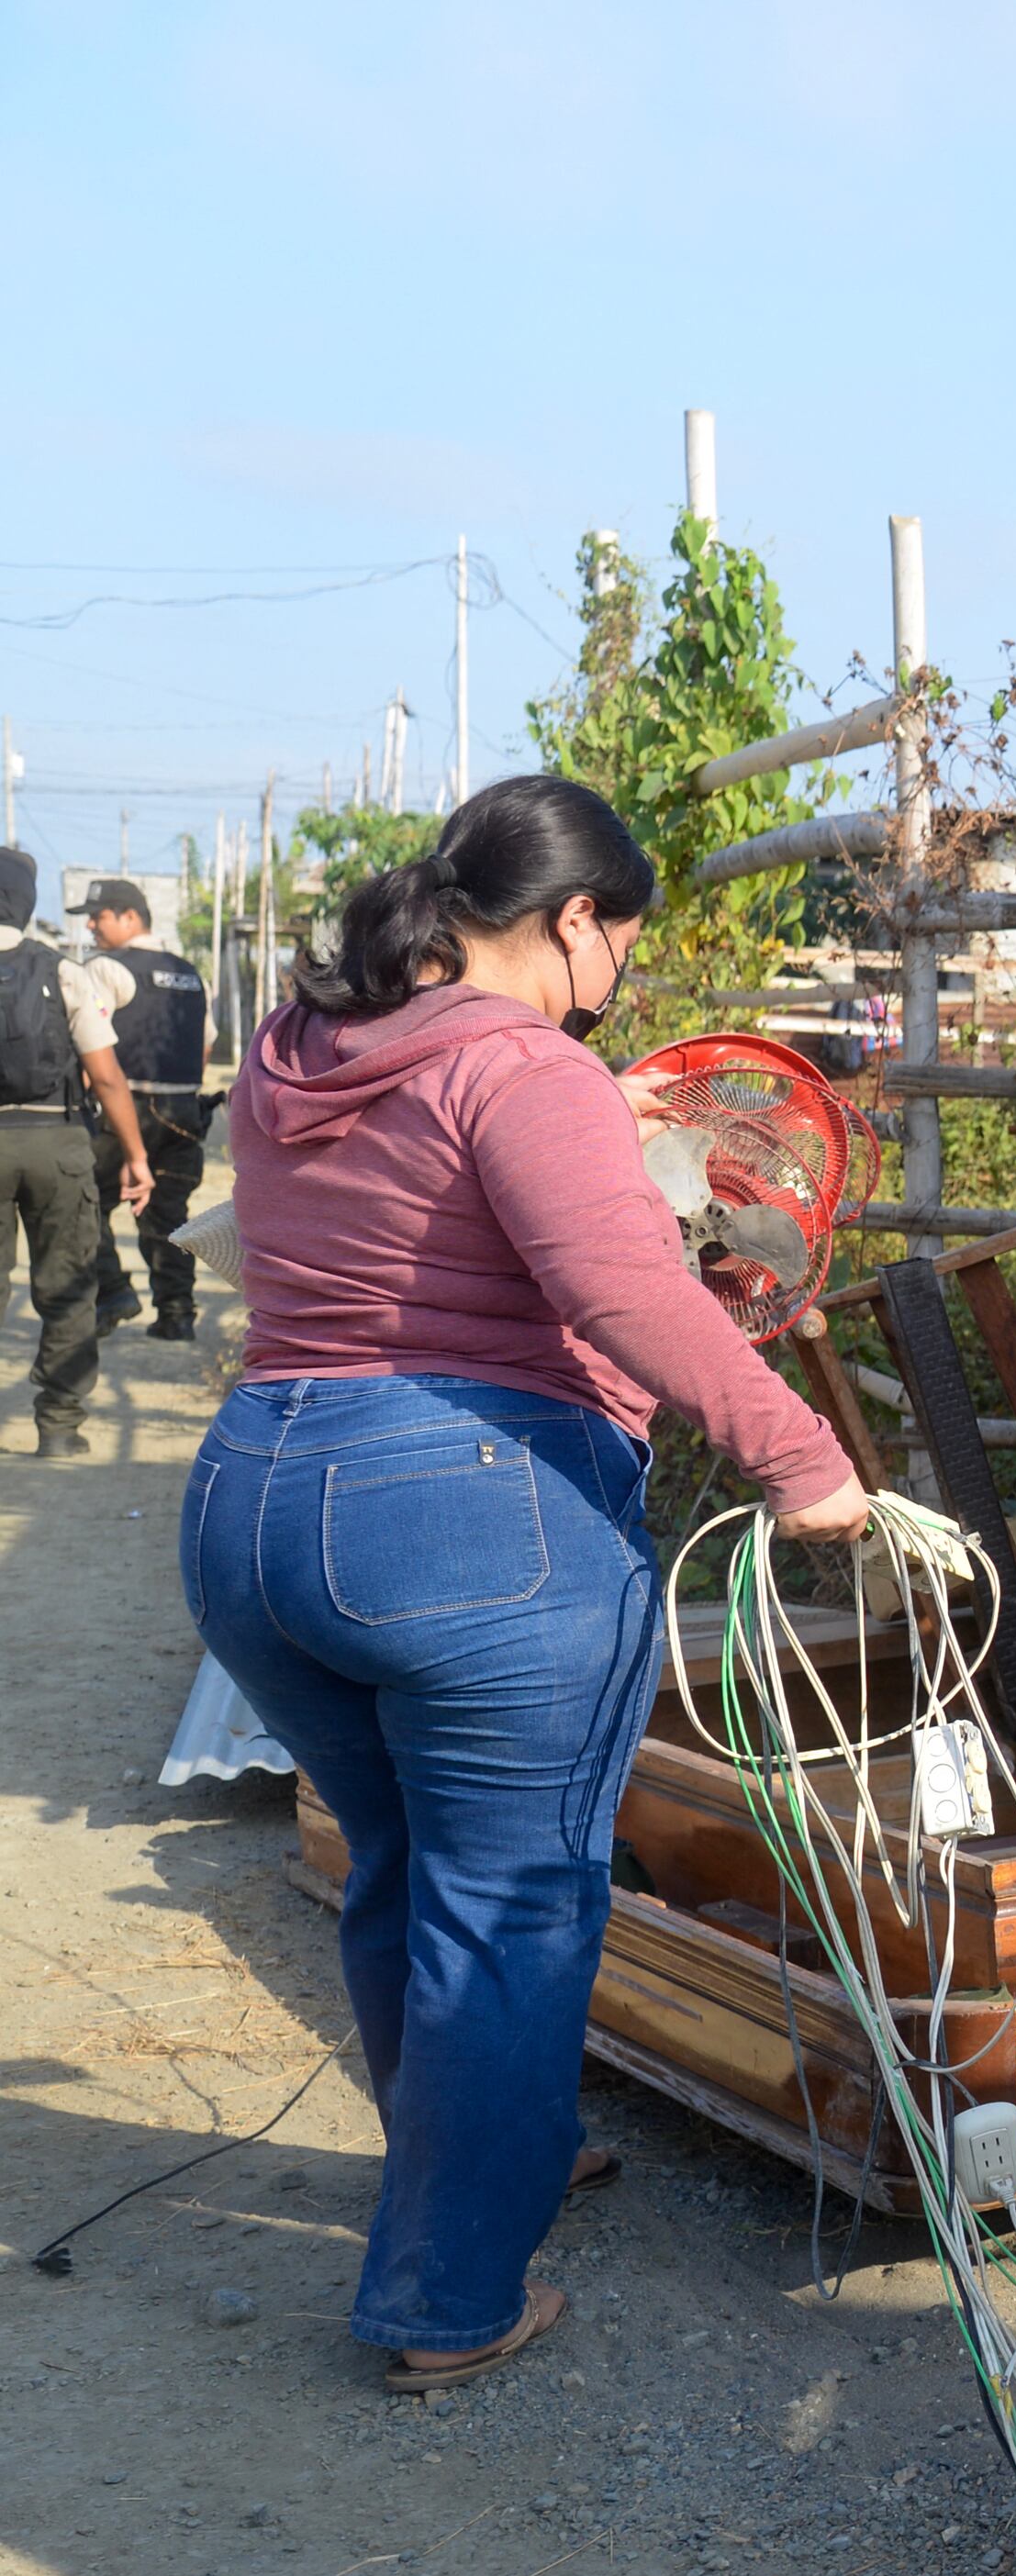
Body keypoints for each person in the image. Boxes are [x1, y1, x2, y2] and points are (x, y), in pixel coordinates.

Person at [187, 775, 867, 2392]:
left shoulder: (299, 1046)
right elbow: (623, 1292)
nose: (619, 968)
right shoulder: (526, 1065)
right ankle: (445, 2302)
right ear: (577, 919)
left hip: (253, 1505)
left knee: (403, 1867)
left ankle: (498, 2153)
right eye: (618, 935)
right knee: (510, 1907)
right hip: (465, 1511)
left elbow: (414, 1247)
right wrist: (802, 1457)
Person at [0, 844, 156, 1454]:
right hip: (56, 1141)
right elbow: (108, 1075)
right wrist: (136, 1155)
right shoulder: (63, 970)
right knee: (66, 1284)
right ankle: (59, 1426)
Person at [76, 875, 216, 1341]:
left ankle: (113, 1290)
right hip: (184, 1111)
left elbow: (90, 1048)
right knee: (169, 1213)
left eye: (99, 916)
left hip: (125, 1108)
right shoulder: (192, 973)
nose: (92, 925)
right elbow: (204, 1047)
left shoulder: (105, 968)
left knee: (82, 1202)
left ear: (130, 917)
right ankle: (176, 1314)